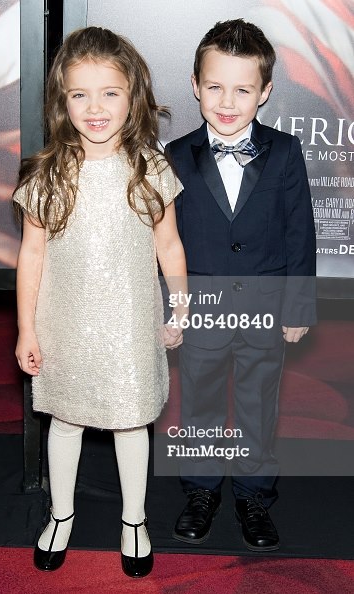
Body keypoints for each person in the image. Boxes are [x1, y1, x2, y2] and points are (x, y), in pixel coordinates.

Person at [13, 26, 186, 578]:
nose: (95, 107)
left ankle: (134, 519)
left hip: (131, 323)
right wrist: (26, 330)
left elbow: (169, 244)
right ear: (61, 101)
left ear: (132, 96)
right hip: (63, 321)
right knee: (63, 421)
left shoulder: (150, 169)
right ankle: (60, 514)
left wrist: (179, 309)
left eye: (109, 92)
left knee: (132, 423)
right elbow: (31, 257)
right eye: (79, 94)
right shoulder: (48, 173)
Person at [165, 19, 316, 551]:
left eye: (243, 89)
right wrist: (172, 310)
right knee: (199, 402)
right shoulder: (175, 156)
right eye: (215, 86)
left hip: (266, 307)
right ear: (195, 85)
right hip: (199, 307)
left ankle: (254, 495)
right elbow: (164, 243)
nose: (227, 101)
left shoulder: (286, 151)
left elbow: (300, 233)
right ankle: (201, 491)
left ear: (266, 92)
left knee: (258, 404)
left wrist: (298, 308)